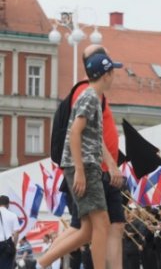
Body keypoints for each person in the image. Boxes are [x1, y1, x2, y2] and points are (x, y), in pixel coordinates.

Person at [45, 45, 125, 269]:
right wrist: (84, 169)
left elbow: (94, 133)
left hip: (99, 169)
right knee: (89, 227)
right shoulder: (87, 94)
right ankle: (41, 263)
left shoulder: (94, 94)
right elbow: (78, 133)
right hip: (90, 168)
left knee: (108, 226)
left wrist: (110, 165)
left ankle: (40, 263)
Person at [0, 195, 20, 269]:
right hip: (7, 245)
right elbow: (16, 233)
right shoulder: (13, 215)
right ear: (8, 204)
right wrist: (14, 245)